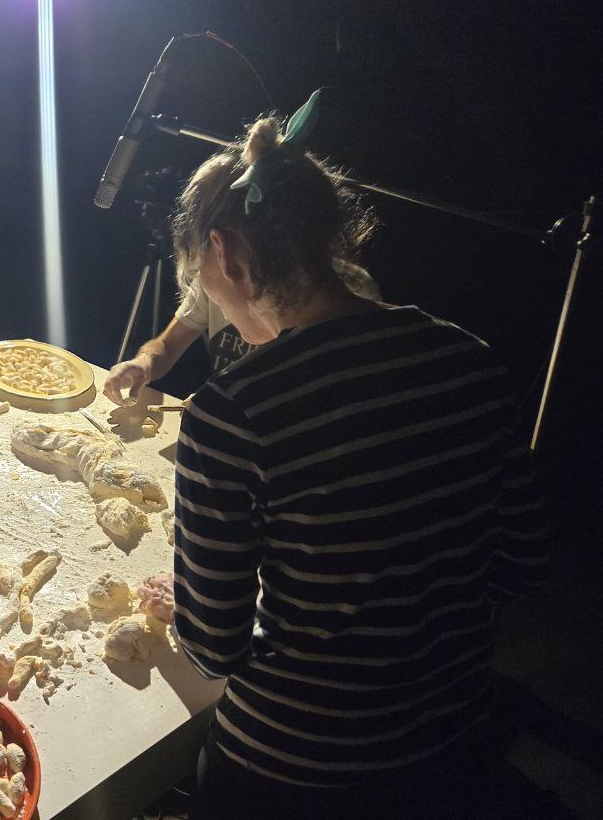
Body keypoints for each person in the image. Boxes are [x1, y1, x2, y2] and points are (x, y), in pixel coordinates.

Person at [136, 100, 550, 819]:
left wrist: (198, 612)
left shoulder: (233, 414)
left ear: (226, 255)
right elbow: (523, 562)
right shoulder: (472, 360)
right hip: (452, 743)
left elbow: (215, 651)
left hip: (296, 764)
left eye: (201, 274)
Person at [104, 261, 379, 406]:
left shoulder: (346, 292)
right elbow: (167, 344)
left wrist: (230, 405)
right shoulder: (214, 275)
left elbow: (340, 401)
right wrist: (144, 363)